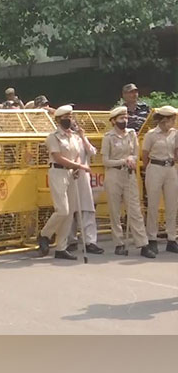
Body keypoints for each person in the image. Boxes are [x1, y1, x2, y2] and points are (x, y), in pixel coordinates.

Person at [37, 105, 90, 261]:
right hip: (58, 172)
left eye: (71, 116)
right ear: (59, 119)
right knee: (62, 210)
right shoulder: (53, 137)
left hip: (71, 173)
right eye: (66, 117)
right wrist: (79, 166)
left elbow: (78, 155)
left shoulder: (75, 137)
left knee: (71, 211)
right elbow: (58, 157)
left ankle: (61, 247)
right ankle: (44, 234)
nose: (69, 119)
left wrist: (76, 165)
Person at [101, 106, 155, 258]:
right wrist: (122, 161)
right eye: (120, 118)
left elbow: (135, 154)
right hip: (114, 175)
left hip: (129, 175)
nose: (124, 121)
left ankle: (143, 244)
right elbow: (105, 161)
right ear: (113, 121)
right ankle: (119, 243)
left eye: (125, 118)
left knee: (135, 211)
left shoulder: (131, 134)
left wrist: (131, 159)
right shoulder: (108, 137)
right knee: (115, 211)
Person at [141, 105, 178, 255]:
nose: (174, 122)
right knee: (153, 205)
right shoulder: (151, 134)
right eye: (172, 119)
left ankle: (171, 238)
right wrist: (147, 169)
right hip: (155, 167)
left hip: (170, 168)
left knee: (172, 204)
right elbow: (145, 154)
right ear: (164, 119)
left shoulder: (174, 134)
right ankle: (152, 238)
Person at [65, 122, 104, 254]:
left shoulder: (81, 138)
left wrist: (83, 137)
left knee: (87, 209)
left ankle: (90, 241)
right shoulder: (63, 139)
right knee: (70, 210)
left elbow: (92, 152)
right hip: (69, 176)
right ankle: (71, 240)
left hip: (83, 178)